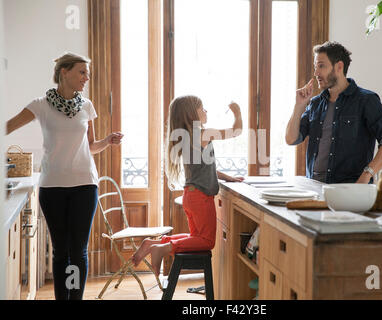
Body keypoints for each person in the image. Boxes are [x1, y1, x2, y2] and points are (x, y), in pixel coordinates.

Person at [6, 52, 123, 300]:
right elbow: (8, 126)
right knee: (61, 251)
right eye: (82, 72)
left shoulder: (86, 106)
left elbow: (90, 146)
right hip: (52, 186)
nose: (86, 77)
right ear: (64, 72)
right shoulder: (40, 105)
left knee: (78, 250)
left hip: (84, 184)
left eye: (87, 73)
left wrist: (107, 141)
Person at [131, 95, 243, 276]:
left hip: (191, 195)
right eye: (202, 108)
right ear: (192, 114)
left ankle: (153, 244)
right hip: (200, 197)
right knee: (207, 242)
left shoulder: (188, 137)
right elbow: (236, 131)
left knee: (196, 238)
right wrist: (237, 111)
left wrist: (227, 177)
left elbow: (204, 168)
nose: (206, 111)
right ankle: (163, 248)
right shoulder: (202, 134)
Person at [285, 41, 382, 184]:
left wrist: (367, 175)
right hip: (314, 188)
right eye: (315, 67)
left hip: (350, 192)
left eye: (321, 66)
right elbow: (291, 139)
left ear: (339, 67)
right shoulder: (315, 103)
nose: (316, 73)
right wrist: (299, 106)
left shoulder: (366, 100)